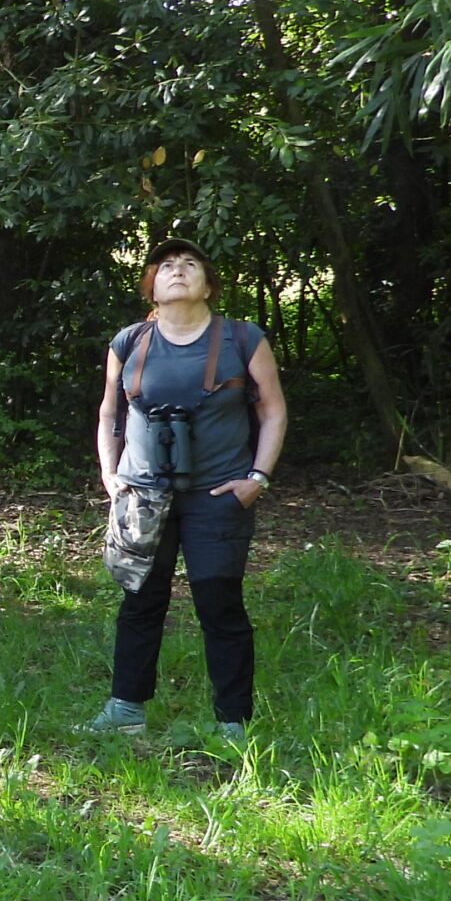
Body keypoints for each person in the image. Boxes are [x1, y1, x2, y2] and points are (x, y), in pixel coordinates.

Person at [87, 238, 286, 743]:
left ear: (209, 284)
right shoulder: (129, 341)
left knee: (220, 604)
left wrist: (257, 479)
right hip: (143, 497)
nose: (178, 272)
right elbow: (110, 412)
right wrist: (111, 476)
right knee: (140, 600)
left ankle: (233, 722)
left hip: (219, 495)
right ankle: (125, 709)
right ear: (150, 284)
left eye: (190, 264)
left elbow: (272, 410)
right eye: (167, 265)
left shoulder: (243, 339)